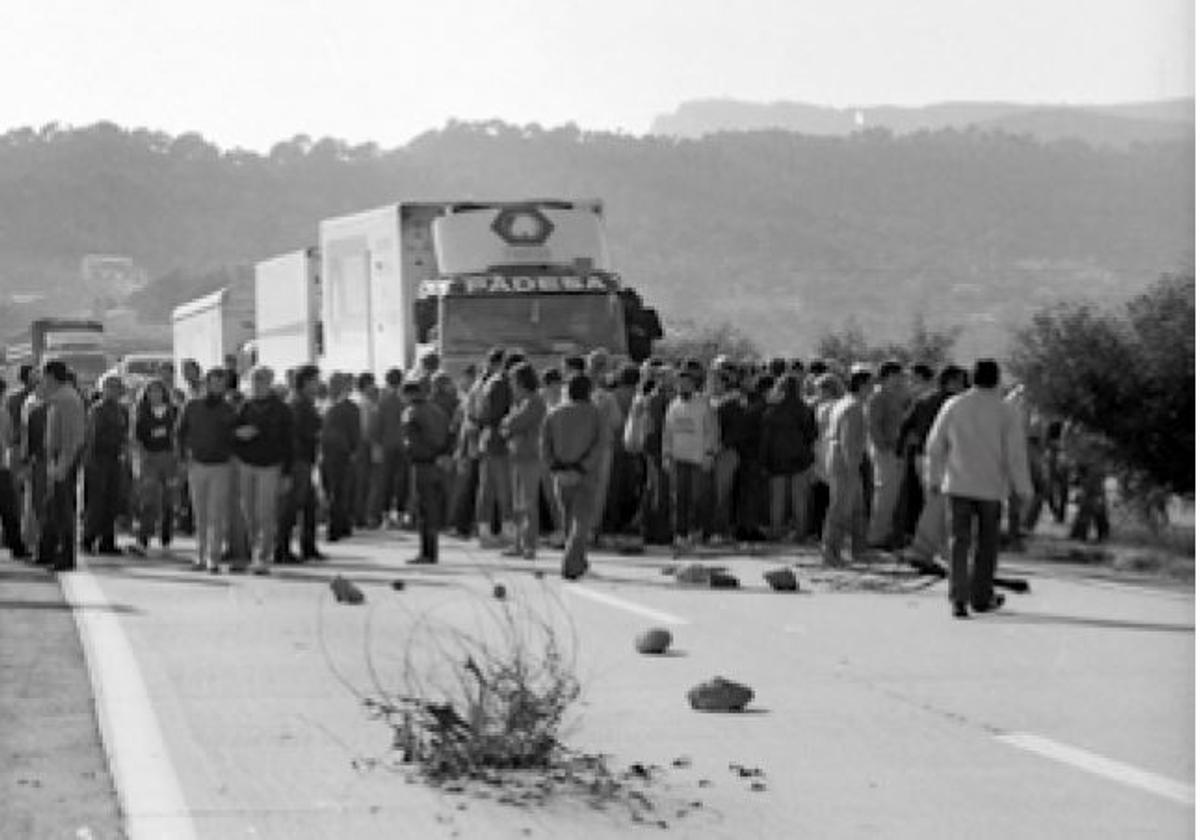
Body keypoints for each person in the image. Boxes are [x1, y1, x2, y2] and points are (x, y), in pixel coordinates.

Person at [926, 359, 1033, 619]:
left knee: (958, 542)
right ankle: (981, 597)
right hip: (990, 488)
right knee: (987, 544)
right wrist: (1024, 489)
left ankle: (958, 599)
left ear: (971, 378)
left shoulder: (954, 405)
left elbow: (935, 444)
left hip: (958, 484)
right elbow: (1015, 454)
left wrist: (933, 478)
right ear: (996, 380)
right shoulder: (1006, 411)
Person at [898, 365, 968, 566]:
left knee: (932, 503)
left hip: (921, 456)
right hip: (945, 458)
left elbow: (906, 425)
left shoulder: (923, 400)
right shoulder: (955, 403)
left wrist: (900, 452)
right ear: (952, 381)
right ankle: (928, 549)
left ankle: (938, 549)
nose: (964, 386)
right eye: (961, 381)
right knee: (940, 506)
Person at [541, 374, 603, 580]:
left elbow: (544, 445)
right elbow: (599, 445)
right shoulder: (595, 413)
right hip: (584, 475)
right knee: (581, 522)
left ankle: (579, 560)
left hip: (560, 474)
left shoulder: (554, 414)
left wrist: (555, 468)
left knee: (568, 520)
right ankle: (571, 562)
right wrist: (582, 468)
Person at [234, 366, 293, 574]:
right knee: (248, 512)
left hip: (270, 465)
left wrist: (287, 473)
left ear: (270, 382)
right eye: (254, 380)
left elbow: (289, 443)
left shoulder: (281, 409)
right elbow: (233, 433)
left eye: (262, 380)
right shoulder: (246, 407)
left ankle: (263, 555)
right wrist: (240, 435)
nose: (258, 384)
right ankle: (253, 550)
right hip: (247, 464)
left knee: (265, 512)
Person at [177, 368, 237, 573]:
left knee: (216, 514)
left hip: (220, 466)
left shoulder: (229, 409)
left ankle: (214, 558)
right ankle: (200, 555)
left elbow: (234, 436)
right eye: (214, 382)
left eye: (222, 383)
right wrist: (182, 459)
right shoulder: (192, 406)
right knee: (200, 514)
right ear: (207, 383)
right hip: (197, 465)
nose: (218, 386)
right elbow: (180, 432)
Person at [662, 366, 718, 552]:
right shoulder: (673, 405)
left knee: (698, 497)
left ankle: (698, 531)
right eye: (680, 383)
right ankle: (680, 533)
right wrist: (667, 454)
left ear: (694, 385)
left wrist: (709, 453)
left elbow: (711, 430)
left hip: (698, 457)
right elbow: (667, 433)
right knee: (679, 498)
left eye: (686, 383)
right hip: (679, 458)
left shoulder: (703, 404)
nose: (682, 386)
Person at [822, 367, 872, 566]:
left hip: (841, 458)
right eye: (870, 384)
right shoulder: (853, 407)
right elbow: (848, 440)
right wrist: (852, 468)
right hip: (845, 462)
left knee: (857, 507)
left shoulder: (845, 403)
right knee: (840, 507)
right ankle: (831, 552)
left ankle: (859, 550)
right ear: (862, 385)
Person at [39, 362, 87, 571]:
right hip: (58, 458)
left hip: (64, 459)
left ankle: (66, 556)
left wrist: (63, 465)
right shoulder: (60, 397)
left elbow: (72, 437)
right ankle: (48, 552)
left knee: (63, 511)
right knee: (53, 508)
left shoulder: (67, 399)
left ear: (51, 376)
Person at [760, 373, 818, 542]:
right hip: (800, 459)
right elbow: (812, 435)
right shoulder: (805, 410)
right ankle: (801, 532)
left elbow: (766, 440)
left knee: (777, 498)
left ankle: (776, 531)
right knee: (799, 498)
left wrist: (763, 461)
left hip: (776, 460)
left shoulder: (771, 411)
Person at [401, 378, 451, 564]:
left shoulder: (410, 413)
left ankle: (426, 553)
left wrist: (410, 454)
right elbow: (449, 435)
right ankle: (433, 552)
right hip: (439, 465)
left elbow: (410, 442)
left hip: (422, 465)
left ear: (408, 394)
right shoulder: (439, 411)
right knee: (433, 510)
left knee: (424, 509)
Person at [500, 362, 547, 560]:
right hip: (517, 455)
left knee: (528, 502)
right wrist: (508, 426)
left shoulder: (534, 401)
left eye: (513, 380)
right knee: (517, 503)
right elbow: (507, 425)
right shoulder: (519, 402)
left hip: (531, 456)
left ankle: (529, 544)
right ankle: (518, 542)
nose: (511, 384)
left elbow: (515, 422)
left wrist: (509, 425)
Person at [277, 364, 323, 562]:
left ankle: (309, 546)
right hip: (298, 460)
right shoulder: (297, 404)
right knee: (292, 506)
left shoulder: (306, 402)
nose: (317, 384)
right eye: (314, 380)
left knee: (310, 505)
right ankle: (282, 548)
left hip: (305, 459)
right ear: (305, 382)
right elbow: (297, 433)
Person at [471, 348, 515, 548]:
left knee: (487, 487)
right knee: (503, 488)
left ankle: (484, 530)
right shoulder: (502, 384)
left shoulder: (487, 383)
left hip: (487, 438)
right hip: (499, 440)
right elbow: (499, 414)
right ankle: (506, 530)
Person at [82, 375, 129, 555]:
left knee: (112, 501)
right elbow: (93, 437)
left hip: (114, 460)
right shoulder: (97, 410)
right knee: (96, 502)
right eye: (109, 387)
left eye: (116, 388)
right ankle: (88, 538)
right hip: (97, 460)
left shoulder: (121, 410)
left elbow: (124, 433)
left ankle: (107, 540)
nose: (113, 391)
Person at [132, 378, 178, 555]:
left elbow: (177, 435)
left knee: (169, 500)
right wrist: (139, 459)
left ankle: (166, 538)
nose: (155, 395)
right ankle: (143, 539)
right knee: (148, 500)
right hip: (149, 458)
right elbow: (136, 438)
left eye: (158, 391)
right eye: (151, 391)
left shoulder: (173, 412)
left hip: (169, 458)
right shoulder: (141, 413)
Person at [865, 360, 908, 549]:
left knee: (890, 495)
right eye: (896, 375)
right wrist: (883, 448)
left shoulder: (893, 396)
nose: (900, 379)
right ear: (887, 376)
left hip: (893, 450)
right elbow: (873, 425)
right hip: (885, 451)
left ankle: (886, 533)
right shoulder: (878, 397)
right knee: (884, 494)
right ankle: (877, 536)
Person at [321, 372, 362, 542]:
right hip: (329, 453)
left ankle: (336, 527)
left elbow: (355, 432)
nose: (332, 387)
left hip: (339, 454)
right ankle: (343, 524)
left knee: (337, 491)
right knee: (336, 490)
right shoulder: (326, 405)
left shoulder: (346, 408)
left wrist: (353, 450)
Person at [0, 378, 29, 558]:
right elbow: (10, 438)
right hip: (1, 466)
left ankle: (16, 545)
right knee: (9, 510)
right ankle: (16, 547)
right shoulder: (3, 412)